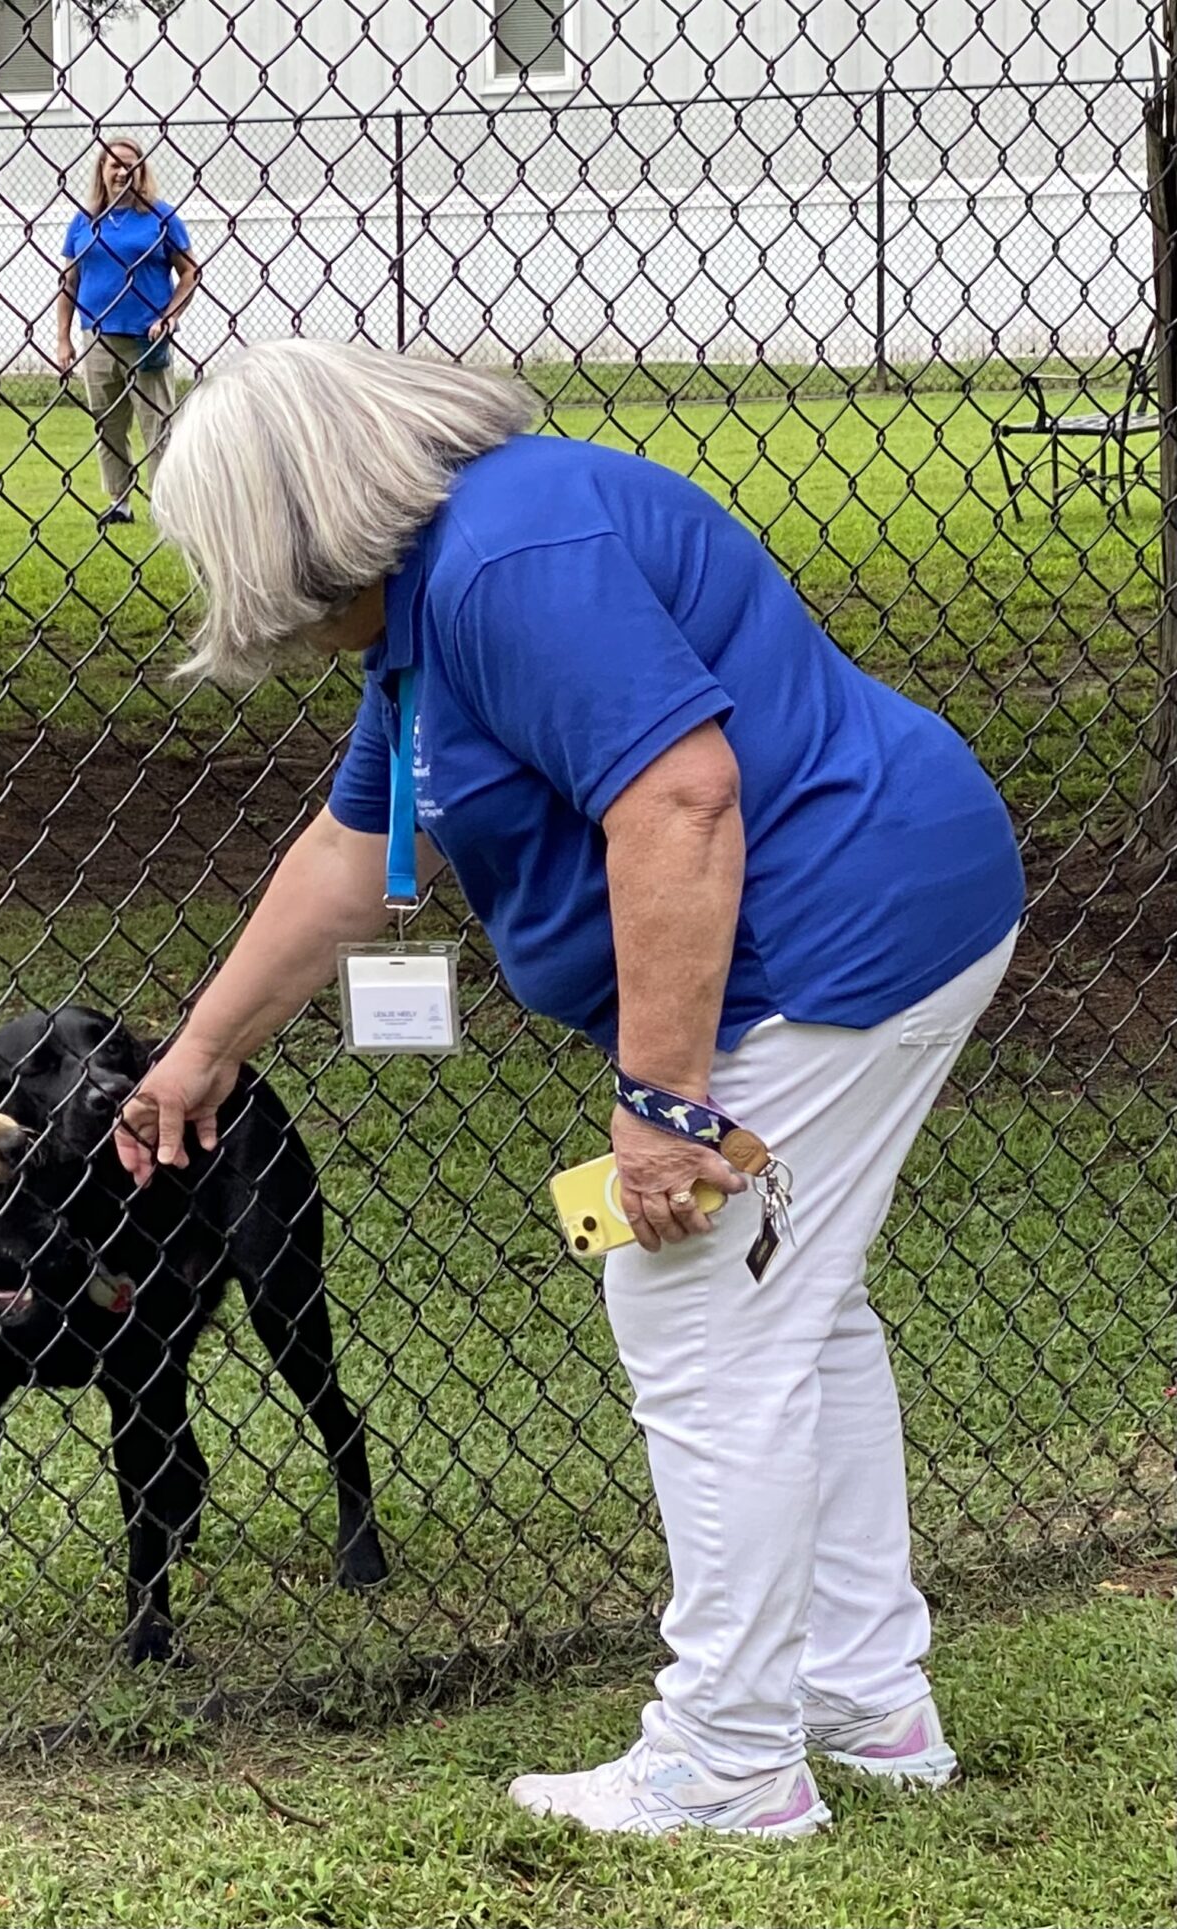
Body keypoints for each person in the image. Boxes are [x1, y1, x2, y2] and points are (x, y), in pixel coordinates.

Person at [123, 337, 1025, 1838]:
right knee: (796, 1305)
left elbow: (680, 798)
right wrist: (204, 1048)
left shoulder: (502, 563)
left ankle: (733, 1757)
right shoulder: (437, 598)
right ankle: (869, 1702)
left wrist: (664, 1097)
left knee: (697, 1312)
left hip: (839, 928)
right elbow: (354, 856)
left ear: (285, 525)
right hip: (893, 896)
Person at [51, 136, 200, 529]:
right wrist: (63, 338)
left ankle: (166, 504)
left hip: (145, 339)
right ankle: (120, 501)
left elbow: (189, 273)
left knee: (157, 424)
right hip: (97, 339)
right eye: (114, 164)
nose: (122, 171)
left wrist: (169, 316)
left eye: (130, 164)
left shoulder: (161, 217)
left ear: (142, 171)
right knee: (109, 425)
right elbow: (69, 282)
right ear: (102, 171)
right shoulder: (84, 221)